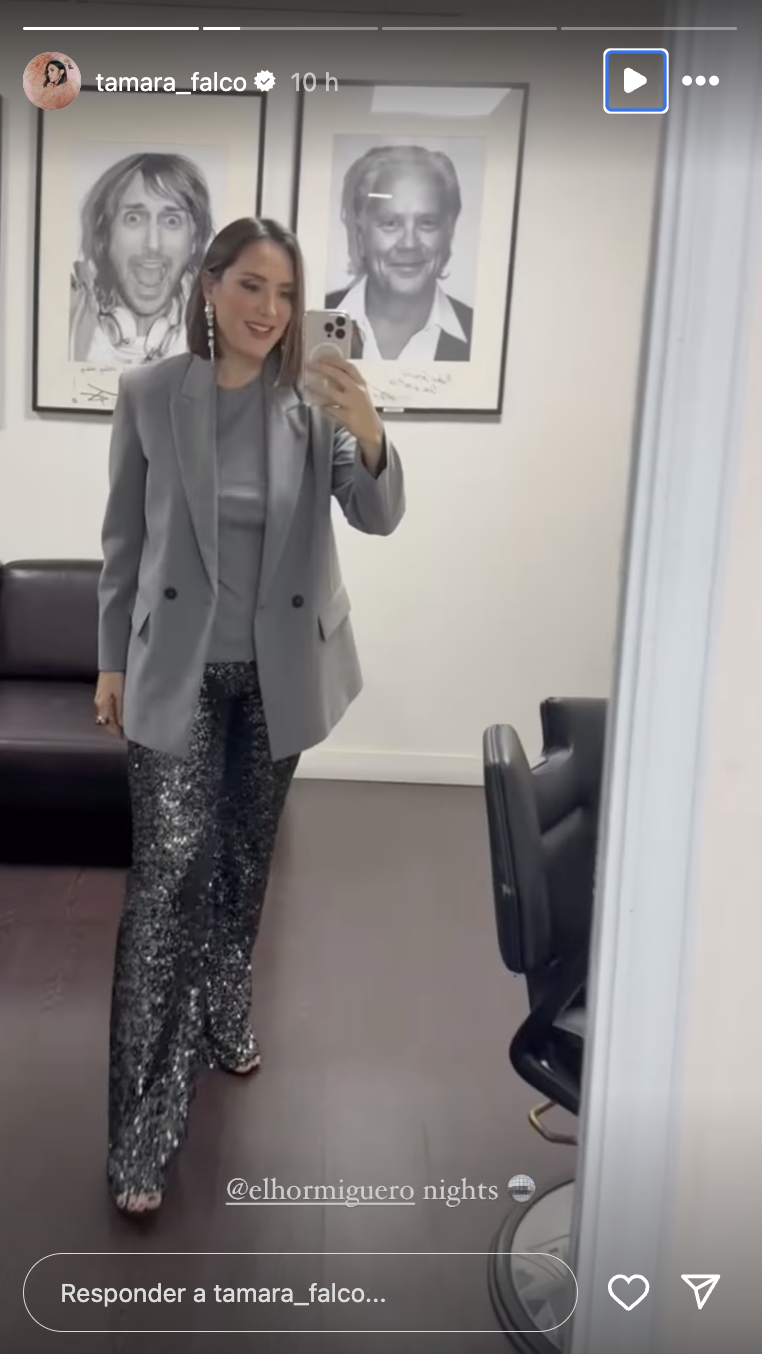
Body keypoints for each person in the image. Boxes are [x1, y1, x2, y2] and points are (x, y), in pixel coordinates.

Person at [94, 216, 405, 1216]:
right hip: (175, 671)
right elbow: (122, 543)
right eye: (251, 287)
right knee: (164, 884)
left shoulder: (312, 401)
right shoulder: (151, 394)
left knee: (240, 861)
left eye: (287, 293)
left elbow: (376, 514)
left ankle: (227, 1006)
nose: (271, 310)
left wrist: (368, 427)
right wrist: (110, 661)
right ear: (209, 285)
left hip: (279, 672)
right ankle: (142, 1129)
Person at [325, 144, 473, 362]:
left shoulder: (481, 334)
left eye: (427, 223)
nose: (409, 244)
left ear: (449, 232)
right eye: (391, 223)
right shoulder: (312, 317)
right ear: (361, 233)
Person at [69, 152, 213, 364]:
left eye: (171, 221)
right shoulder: (68, 321)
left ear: (194, 239)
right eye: (134, 218)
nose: (152, 244)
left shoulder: (219, 335)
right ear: (105, 236)